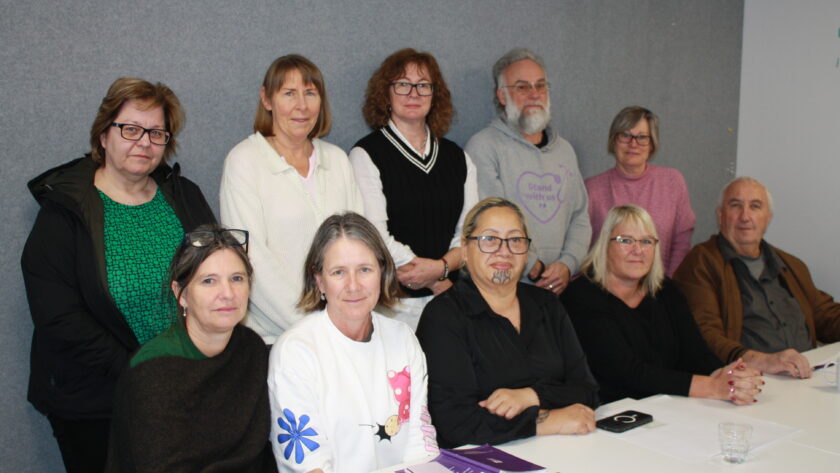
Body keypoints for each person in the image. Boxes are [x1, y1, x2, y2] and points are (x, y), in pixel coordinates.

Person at [21, 77, 215, 472]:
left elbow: (213, 276)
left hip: (180, 387)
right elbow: (58, 316)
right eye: (130, 129)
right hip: (96, 401)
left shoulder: (184, 196)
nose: (143, 142)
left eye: (156, 132)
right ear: (103, 135)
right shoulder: (66, 211)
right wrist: (140, 371)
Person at [415, 198, 599, 449]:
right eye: (490, 239)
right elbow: (454, 422)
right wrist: (545, 420)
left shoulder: (547, 304)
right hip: (486, 459)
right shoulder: (444, 317)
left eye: (515, 240)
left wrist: (530, 396)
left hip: (562, 449)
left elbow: (587, 390)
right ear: (465, 249)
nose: (504, 251)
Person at [268, 212, 437, 473]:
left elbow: (419, 443)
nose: (354, 285)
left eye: (365, 270)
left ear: (382, 272)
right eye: (338, 272)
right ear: (319, 280)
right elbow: (309, 465)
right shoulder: (296, 350)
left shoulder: (403, 339)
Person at [106, 225, 277, 472]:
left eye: (237, 278)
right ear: (181, 294)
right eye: (209, 281)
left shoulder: (250, 348)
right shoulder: (152, 371)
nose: (228, 293)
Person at [220, 54, 363, 344]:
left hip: (345, 329)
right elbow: (249, 257)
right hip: (276, 337)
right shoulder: (244, 161)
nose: (302, 105)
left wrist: (349, 319)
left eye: (310, 93)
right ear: (267, 99)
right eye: (289, 93)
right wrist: (314, 328)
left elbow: (361, 246)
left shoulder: (337, 160)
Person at [561, 205, 762, 404]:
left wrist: (726, 375)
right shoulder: (581, 297)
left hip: (669, 405)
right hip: (609, 414)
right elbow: (627, 372)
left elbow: (695, 353)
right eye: (626, 241)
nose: (637, 250)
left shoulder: (666, 290)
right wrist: (711, 387)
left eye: (646, 241)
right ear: (605, 246)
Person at [350, 48, 478, 329]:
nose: (414, 93)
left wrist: (443, 268)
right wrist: (434, 278)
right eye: (403, 84)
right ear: (386, 93)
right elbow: (375, 235)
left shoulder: (458, 157)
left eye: (423, 85)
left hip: (451, 298)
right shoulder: (366, 154)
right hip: (393, 306)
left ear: (435, 95)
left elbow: (471, 233)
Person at [674, 177, 840, 378]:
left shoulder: (790, 265)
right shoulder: (700, 263)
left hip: (805, 376)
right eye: (735, 206)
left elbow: (824, 314)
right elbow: (703, 334)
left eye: (755, 206)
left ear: (768, 217)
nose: (745, 216)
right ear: (720, 215)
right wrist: (761, 360)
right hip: (748, 382)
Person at [465, 48, 590, 295]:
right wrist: (535, 267)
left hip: (560, 289)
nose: (534, 94)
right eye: (522, 87)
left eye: (540, 86)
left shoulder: (565, 151)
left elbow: (581, 217)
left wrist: (567, 265)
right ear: (502, 96)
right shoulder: (483, 147)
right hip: (505, 289)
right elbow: (490, 223)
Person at [585, 106, 695, 276]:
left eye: (642, 137)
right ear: (613, 141)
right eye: (625, 135)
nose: (633, 144)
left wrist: (669, 285)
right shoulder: (592, 189)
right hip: (606, 292)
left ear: (652, 144)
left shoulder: (673, 182)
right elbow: (584, 249)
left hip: (660, 289)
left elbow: (682, 241)